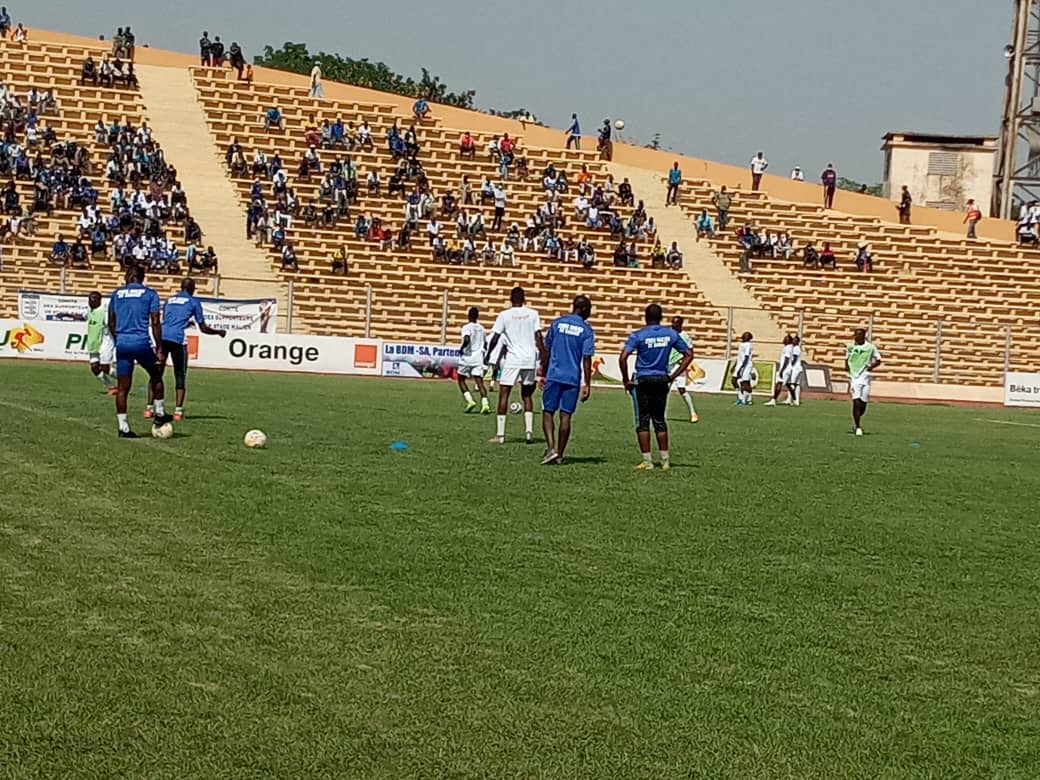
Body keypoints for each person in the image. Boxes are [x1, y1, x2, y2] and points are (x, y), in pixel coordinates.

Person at [619, 304, 694, 471]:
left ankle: (647, 460)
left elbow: (623, 358)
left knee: (642, 421)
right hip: (661, 379)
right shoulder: (670, 334)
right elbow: (689, 354)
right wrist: (672, 376)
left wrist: (626, 380)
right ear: (661, 317)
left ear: (645, 317)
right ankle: (665, 460)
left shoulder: (638, 335)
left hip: (643, 380)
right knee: (660, 420)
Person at [145, 277, 227, 421]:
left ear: (181, 287)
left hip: (162, 337)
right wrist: (218, 332)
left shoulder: (170, 300)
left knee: (156, 374)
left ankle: (149, 408)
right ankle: (178, 411)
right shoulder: (194, 302)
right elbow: (203, 327)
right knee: (180, 374)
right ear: (193, 288)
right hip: (177, 339)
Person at [108, 265, 172, 437]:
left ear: (128, 276)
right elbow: (156, 322)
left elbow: (111, 322)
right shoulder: (150, 294)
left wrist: (119, 339)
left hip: (122, 344)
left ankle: (123, 428)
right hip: (140, 342)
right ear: (142, 277)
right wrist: (159, 348)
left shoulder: (117, 294)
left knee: (122, 389)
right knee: (156, 374)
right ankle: (159, 413)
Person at [540, 295, 595, 465]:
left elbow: (546, 349)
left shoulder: (557, 323)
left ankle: (550, 448)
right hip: (572, 377)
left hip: (554, 374)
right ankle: (560, 454)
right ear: (585, 309)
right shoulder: (586, 330)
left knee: (548, 411)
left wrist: (543, 372)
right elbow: (587, 358)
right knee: (566, 416)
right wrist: (587, 383)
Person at [485, 286, 543, 445]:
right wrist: (544, 356)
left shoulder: (504, 315)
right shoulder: (533, 314)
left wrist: (489, 354)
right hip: (530, 358)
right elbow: (539, 336)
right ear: (525, 299)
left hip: (513, 359)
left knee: (504, 394)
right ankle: (529, 432)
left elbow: (495, 337)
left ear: (510, 299)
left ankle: (500, 435)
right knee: (527, 395)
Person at [846, 328, 881, 436]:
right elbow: (847, 358)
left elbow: (878, 360)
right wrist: (847, 368)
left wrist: (871, 367)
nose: (855, 337)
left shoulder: (870, 347)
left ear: (863, 336)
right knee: (856, 401)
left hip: (865, 377)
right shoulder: (850, 346)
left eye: (858, 335)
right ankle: (858, 427)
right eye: (855, 335)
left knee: (863, 405)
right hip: (854, 377)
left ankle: (856, 420)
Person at [458, 306, 491, 414]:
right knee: (479, 382)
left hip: (467, 357)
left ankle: (470, 401)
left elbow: (467, 339)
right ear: (477, 316)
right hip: (478, 358)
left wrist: (462, 348)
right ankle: (485, 404)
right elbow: (485, 343)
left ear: (468, 316)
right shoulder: (481, 328)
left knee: (461, 379)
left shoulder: (466, 327)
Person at [669, 316, 698, 423]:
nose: (673, 324)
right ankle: (661, 414)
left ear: (681, 324)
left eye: (675, 323)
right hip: (667, 365)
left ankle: (693, 413)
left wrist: (683, 362)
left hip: (678, 365)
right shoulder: (669, 334)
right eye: (672, 322)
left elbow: (690, 352)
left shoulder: (685, 336)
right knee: (663, 391)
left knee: (682, 389)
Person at [86, 291, 116, 394]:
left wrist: (116, 338)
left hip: (105, 342)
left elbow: (112, 325)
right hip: (93, 344)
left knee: (105, 368)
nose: (91, 301)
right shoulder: (89, 310)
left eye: (94, 299)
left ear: (99, 300)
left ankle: (123, 378)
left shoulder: (104, 312)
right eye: (90, 299)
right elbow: (83, 317)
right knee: (95, 368)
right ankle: (112, 387)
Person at [764, 334, 793, 406]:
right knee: (788, 384)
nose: (784, 339)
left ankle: (774, 399)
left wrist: (782, 370)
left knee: (779, 383)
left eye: (786, 338)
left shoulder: (788, 348)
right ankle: (791, 399)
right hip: (788, 368)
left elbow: (786, 359)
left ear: (789, 340)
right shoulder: (789, 347)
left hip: (785, 369)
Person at [732, 331, 754, 406]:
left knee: (745, 383)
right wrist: (735, 365)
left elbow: (746, 357)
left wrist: (742, 368)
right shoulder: (741, 344)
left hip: (746, 365)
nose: (745, 336)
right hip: (740, 364)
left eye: (747, 335)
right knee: (734, 381)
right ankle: (741, 398)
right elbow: (740, 357)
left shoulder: (748, 345)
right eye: (744, 335)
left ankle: (746, 399)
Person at [787, 335, 803, 406]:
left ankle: (790, 399)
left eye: (794, 340)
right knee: (797, 384)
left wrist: (790, 365)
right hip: (798, 368)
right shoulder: (796, 348)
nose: (793, 341)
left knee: (792, 383)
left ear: (797, 341)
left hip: (795, 368)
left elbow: (795, 358)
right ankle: (797, 401)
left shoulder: (796, 348)